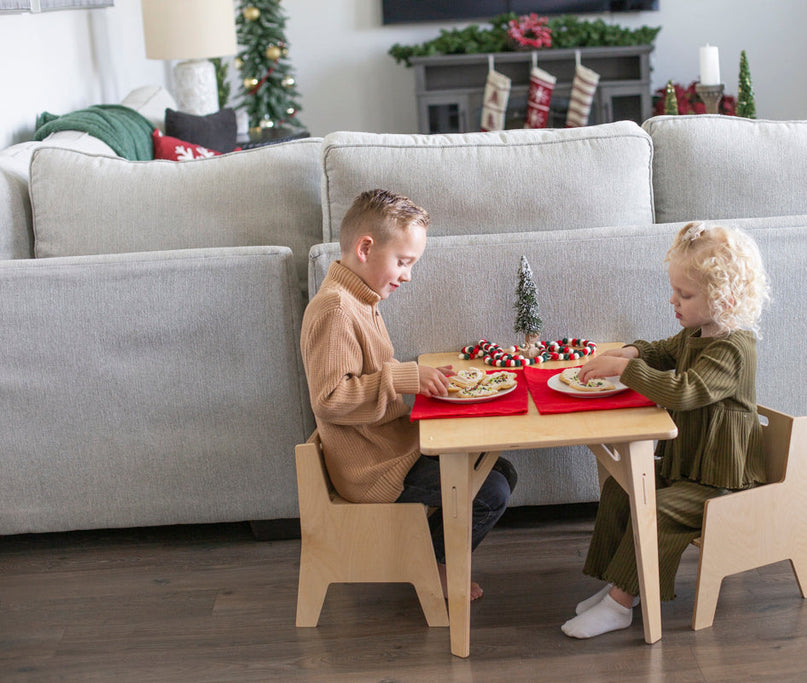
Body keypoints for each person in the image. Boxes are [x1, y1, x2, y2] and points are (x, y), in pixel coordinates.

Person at [300, 188, 516, 601]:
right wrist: (402, 378)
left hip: (387, 449)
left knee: (501, 471)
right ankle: (430, 568)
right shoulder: (337, 310)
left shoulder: (359, 299)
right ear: (366, 248)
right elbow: (328, 399)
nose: (407, 275)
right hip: (373, 468)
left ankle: (428, 559)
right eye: (403, 262)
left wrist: (412, 379)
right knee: (491, 492)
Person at [561, 221, 770, 638]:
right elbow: (663, 351)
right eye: (674, 289)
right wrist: (632, 351)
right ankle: (621, 588)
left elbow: (686, 391)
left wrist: (625, 369)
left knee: (657, 510)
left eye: (685, 295)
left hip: (722, 481)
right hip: (688, 470)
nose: (672, 300)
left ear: (724, 299)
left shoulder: (733, 348)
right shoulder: (697, 331)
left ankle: (620, 606)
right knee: (622, 486)